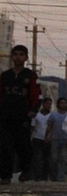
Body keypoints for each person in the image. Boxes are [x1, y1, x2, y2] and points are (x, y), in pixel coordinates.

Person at [0, 45, 40, 183]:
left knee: (23, 147)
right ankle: (5, 176)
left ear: (26, 58)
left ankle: (25, 170)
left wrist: (33, 111)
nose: (18, 57)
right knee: (5, 147)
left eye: (21, 54)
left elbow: (36, 96)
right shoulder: (5, 76)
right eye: (15, 54)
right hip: (6, 117)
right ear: (12, 57)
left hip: (23, 117)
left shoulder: (30, 76)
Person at [47, 97, 67, 182]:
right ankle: (53, 175)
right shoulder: (53, 115)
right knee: (54, 158)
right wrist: (46, 136)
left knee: (63, 159)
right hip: (55, 139)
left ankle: (61, 177)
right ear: (58, 104)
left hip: (65, 140)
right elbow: (49, 126)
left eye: (65, 103)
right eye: (61, 103)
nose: (63, 104)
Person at [30, 96, 53, 181]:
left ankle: (45, 176)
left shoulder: (52, 115)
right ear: (43, 104)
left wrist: (49, 136)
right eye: (47, 103)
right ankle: (37, 176)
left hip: (48, 139)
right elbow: (32, 126)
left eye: (50, 104)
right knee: (38, 158)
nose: (48, 105)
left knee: (47, 159)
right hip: (37, 138)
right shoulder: (37, 115)